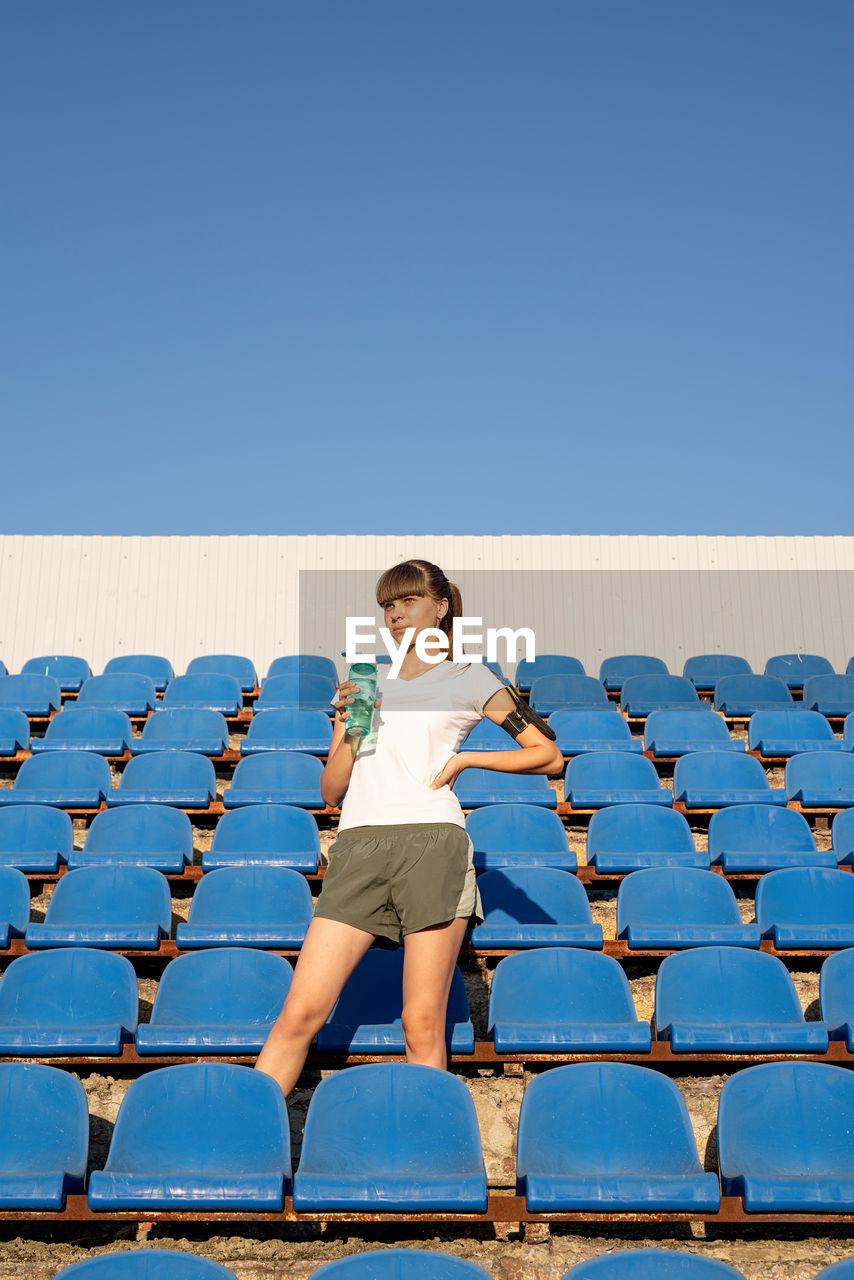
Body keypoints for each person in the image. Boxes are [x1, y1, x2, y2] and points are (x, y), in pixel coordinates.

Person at [254, 559, 563, 1096]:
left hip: (433, 844)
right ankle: (247, 1139)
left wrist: (467, 762)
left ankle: (433, 1162)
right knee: (299, 1012)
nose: (396, 615)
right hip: (358, 845)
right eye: (388, 607)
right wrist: (354, 728)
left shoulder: (471, 677)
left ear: (441, 607)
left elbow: (548, 755)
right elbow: (330, 791)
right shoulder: (364, 682)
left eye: (408, 602)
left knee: (421, 1024)